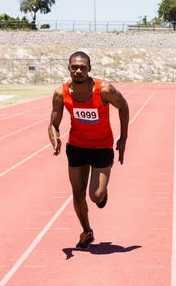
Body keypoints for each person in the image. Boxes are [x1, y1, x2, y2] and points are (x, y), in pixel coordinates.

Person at [48, 51, 129, 250]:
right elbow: (53, 123)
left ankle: (102, 193)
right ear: (68, 68)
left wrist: (124, 138)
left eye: (82, 67)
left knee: (96, 196)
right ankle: (87, 231)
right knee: (77, 193)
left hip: (101, 147)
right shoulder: (61, 93)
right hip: (77, 146)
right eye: (74, 67)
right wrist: (54, 136)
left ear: (89, 69)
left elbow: (123, 106)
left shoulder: (104, 90)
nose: (78, 71)